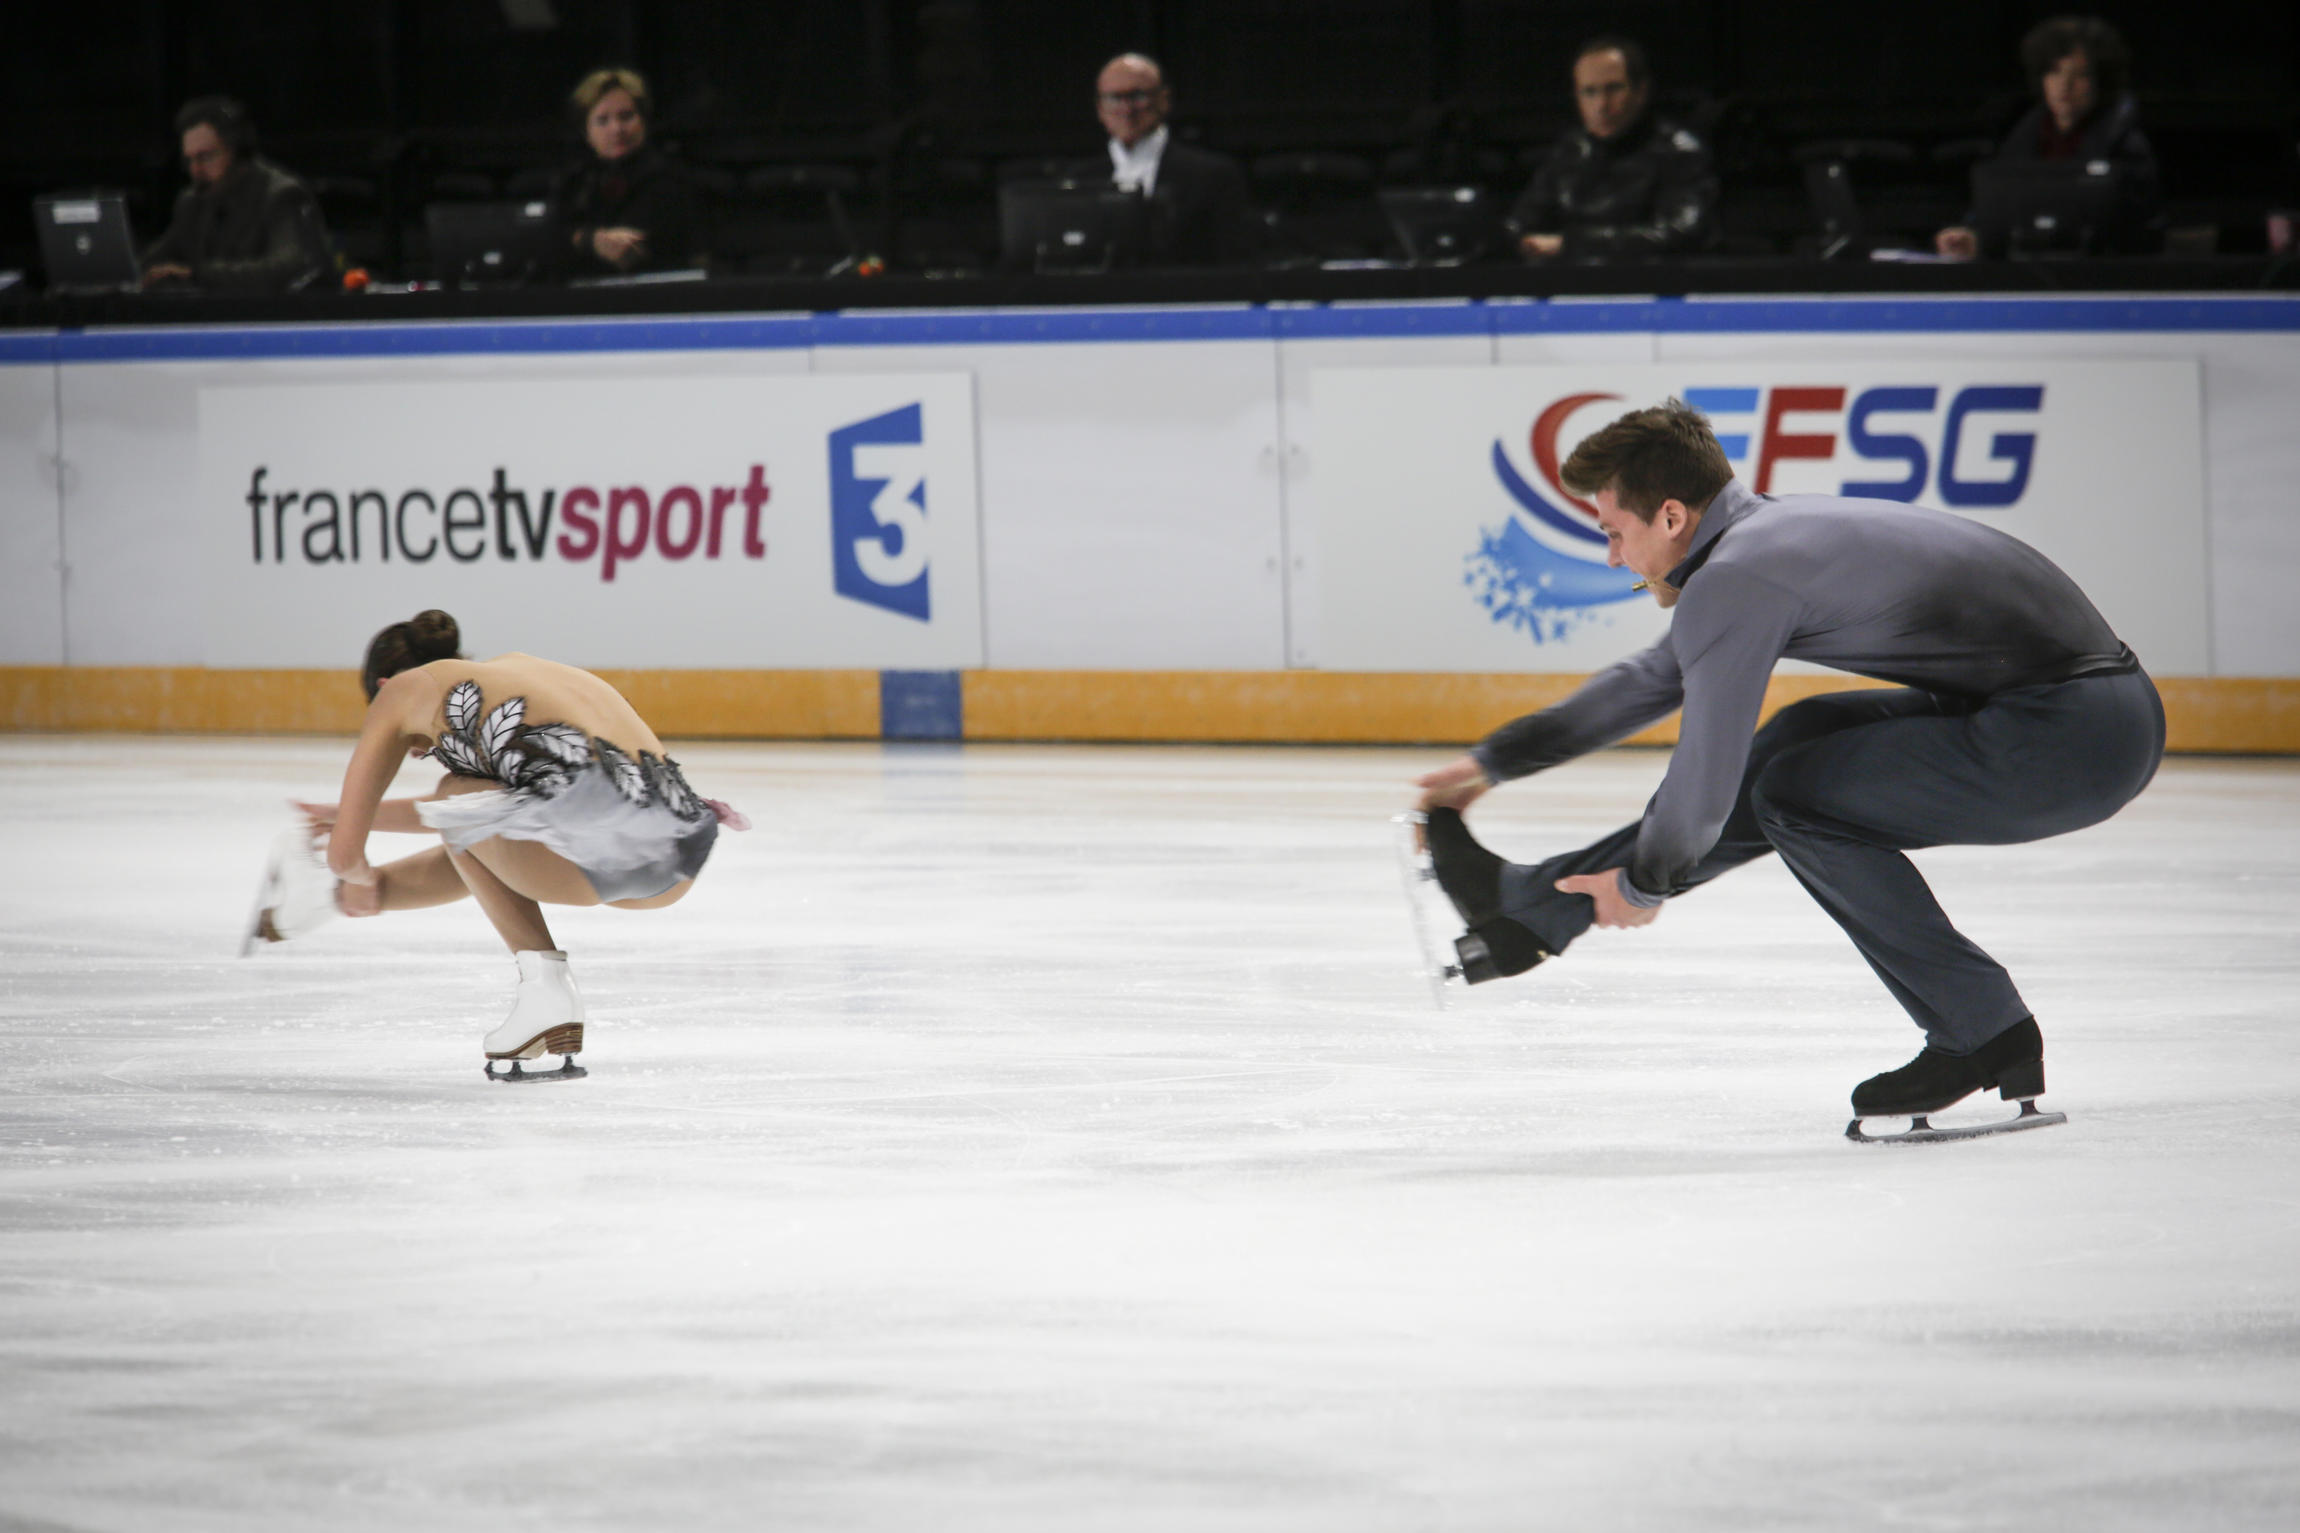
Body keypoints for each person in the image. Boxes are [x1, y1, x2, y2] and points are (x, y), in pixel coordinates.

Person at [1410, 400, 2163, 1134]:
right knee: (1798, 739)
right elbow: (1654, 678)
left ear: (1671, 517)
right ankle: (1528, 909)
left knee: (1797, 796)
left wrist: (1646, 882)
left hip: (2074, 738)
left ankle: (1983, 1030)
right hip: (2077, 716)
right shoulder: (1758, 537)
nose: (1614, 558)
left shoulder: (1739, 575)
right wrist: (1491, 763)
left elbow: (1704, 781)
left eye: (1614, 533)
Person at [249, 610, 746, 1080]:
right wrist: (341, 819)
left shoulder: (400, 693)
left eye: (417, 749)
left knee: (457, 800)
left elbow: (346, 856)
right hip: (677, 861)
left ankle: (547, 991)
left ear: (382, 685)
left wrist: (352, 879)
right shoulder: (526, 671)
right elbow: (500, 826)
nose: (421, 753)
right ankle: (348, 899)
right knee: (475, 817)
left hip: (595, 857)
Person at [1935, 16, 2160, 259]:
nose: (2064, 85)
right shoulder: (2024, 135)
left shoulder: (2125, 145)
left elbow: (2139, 231)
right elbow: (1997, 204)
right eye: (2054, 72)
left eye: (2080, 74)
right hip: (2031, 273)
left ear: (2100, 82)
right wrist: (1972, 236)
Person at [1505, 36, 1717, 261]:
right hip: (1573, 285)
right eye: (1589, 92)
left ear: (1640, 91)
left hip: (1651, 285)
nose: (1601, 105)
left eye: (1613, 89)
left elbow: (1680, 234)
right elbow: (1522, 221)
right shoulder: (1569, 151)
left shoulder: (1680, 153)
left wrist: (1569, 245)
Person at [141, 96, 331, 294]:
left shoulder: (281, 195)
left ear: (238, 152)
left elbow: (289, 269)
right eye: (189, 160)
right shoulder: (192, 202)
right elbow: (154, 260)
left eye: (205, 157)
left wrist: (196, 275)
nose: (196, 170)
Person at [1095, 53, 1258, 267]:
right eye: (1114, 98)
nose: (1126, 109)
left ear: (1163, 100)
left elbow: (1234, 258)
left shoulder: (1213, 175)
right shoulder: (1079, 179)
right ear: (1100, 109)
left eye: (1137, 96)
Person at [555, 67, 701, 277]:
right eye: (602, 120)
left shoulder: (670, 176)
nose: (617, 129)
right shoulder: (574, 180)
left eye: (626, 116)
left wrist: (587, 241)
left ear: (644, 121)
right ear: (586, 133)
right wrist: (590, 241)